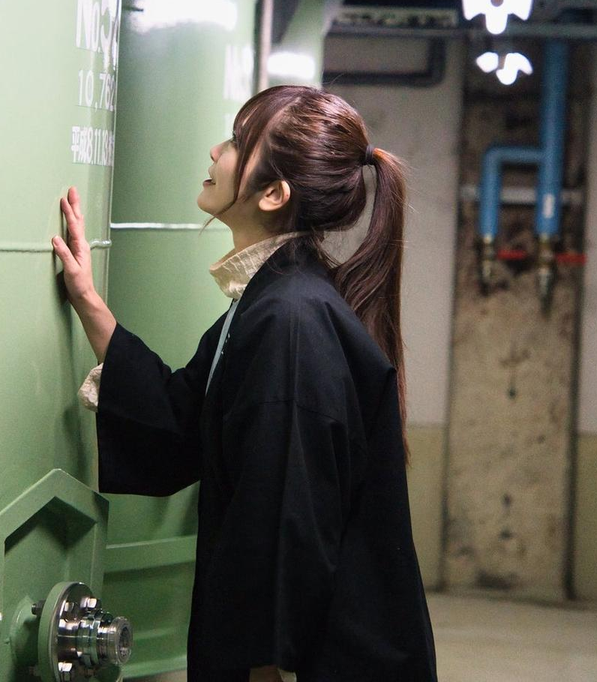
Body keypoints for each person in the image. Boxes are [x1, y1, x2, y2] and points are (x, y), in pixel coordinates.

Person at [52, 85, 437, 682]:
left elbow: (288, 523)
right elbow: (184, 421)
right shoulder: (271, 300)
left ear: (274, 193)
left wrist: (264, 666)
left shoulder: (290, 319)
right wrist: (88, 301)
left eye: (236, 141)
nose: (215, 151)